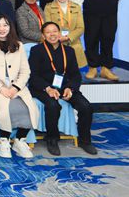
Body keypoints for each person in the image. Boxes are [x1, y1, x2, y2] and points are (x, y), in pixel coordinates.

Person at [29, 22, 97, 156]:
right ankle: (52, 139)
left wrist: (70, 88)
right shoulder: (37, 50)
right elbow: (33, 75)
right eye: (48, 32)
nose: (52, 34)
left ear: (59, 33)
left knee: (86, 107)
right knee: (53, 106)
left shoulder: (69, 51)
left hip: (65, 87)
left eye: (55, 31)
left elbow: (76, 75)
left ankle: (85, 141)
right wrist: (48, 88)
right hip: (43, 88)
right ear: (43, 35)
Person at [0, 14, 39, 158]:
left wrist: (15, 87)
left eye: (5, 25)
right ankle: (4, 141)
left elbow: (25, 71)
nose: (2, 29)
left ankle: (19, 140)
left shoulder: (19, 46)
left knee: (30, 108)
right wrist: (1, 89)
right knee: (6, 108)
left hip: (17, 87)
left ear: (10, 27)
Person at [44, 0, 88, 68]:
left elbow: (81, 28)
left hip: (74, 43)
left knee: (75, 72)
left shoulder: (76, 7)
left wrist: (68, 37)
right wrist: (58, 37)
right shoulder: (48, 7)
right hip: (56, 44)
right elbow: (48, 28)